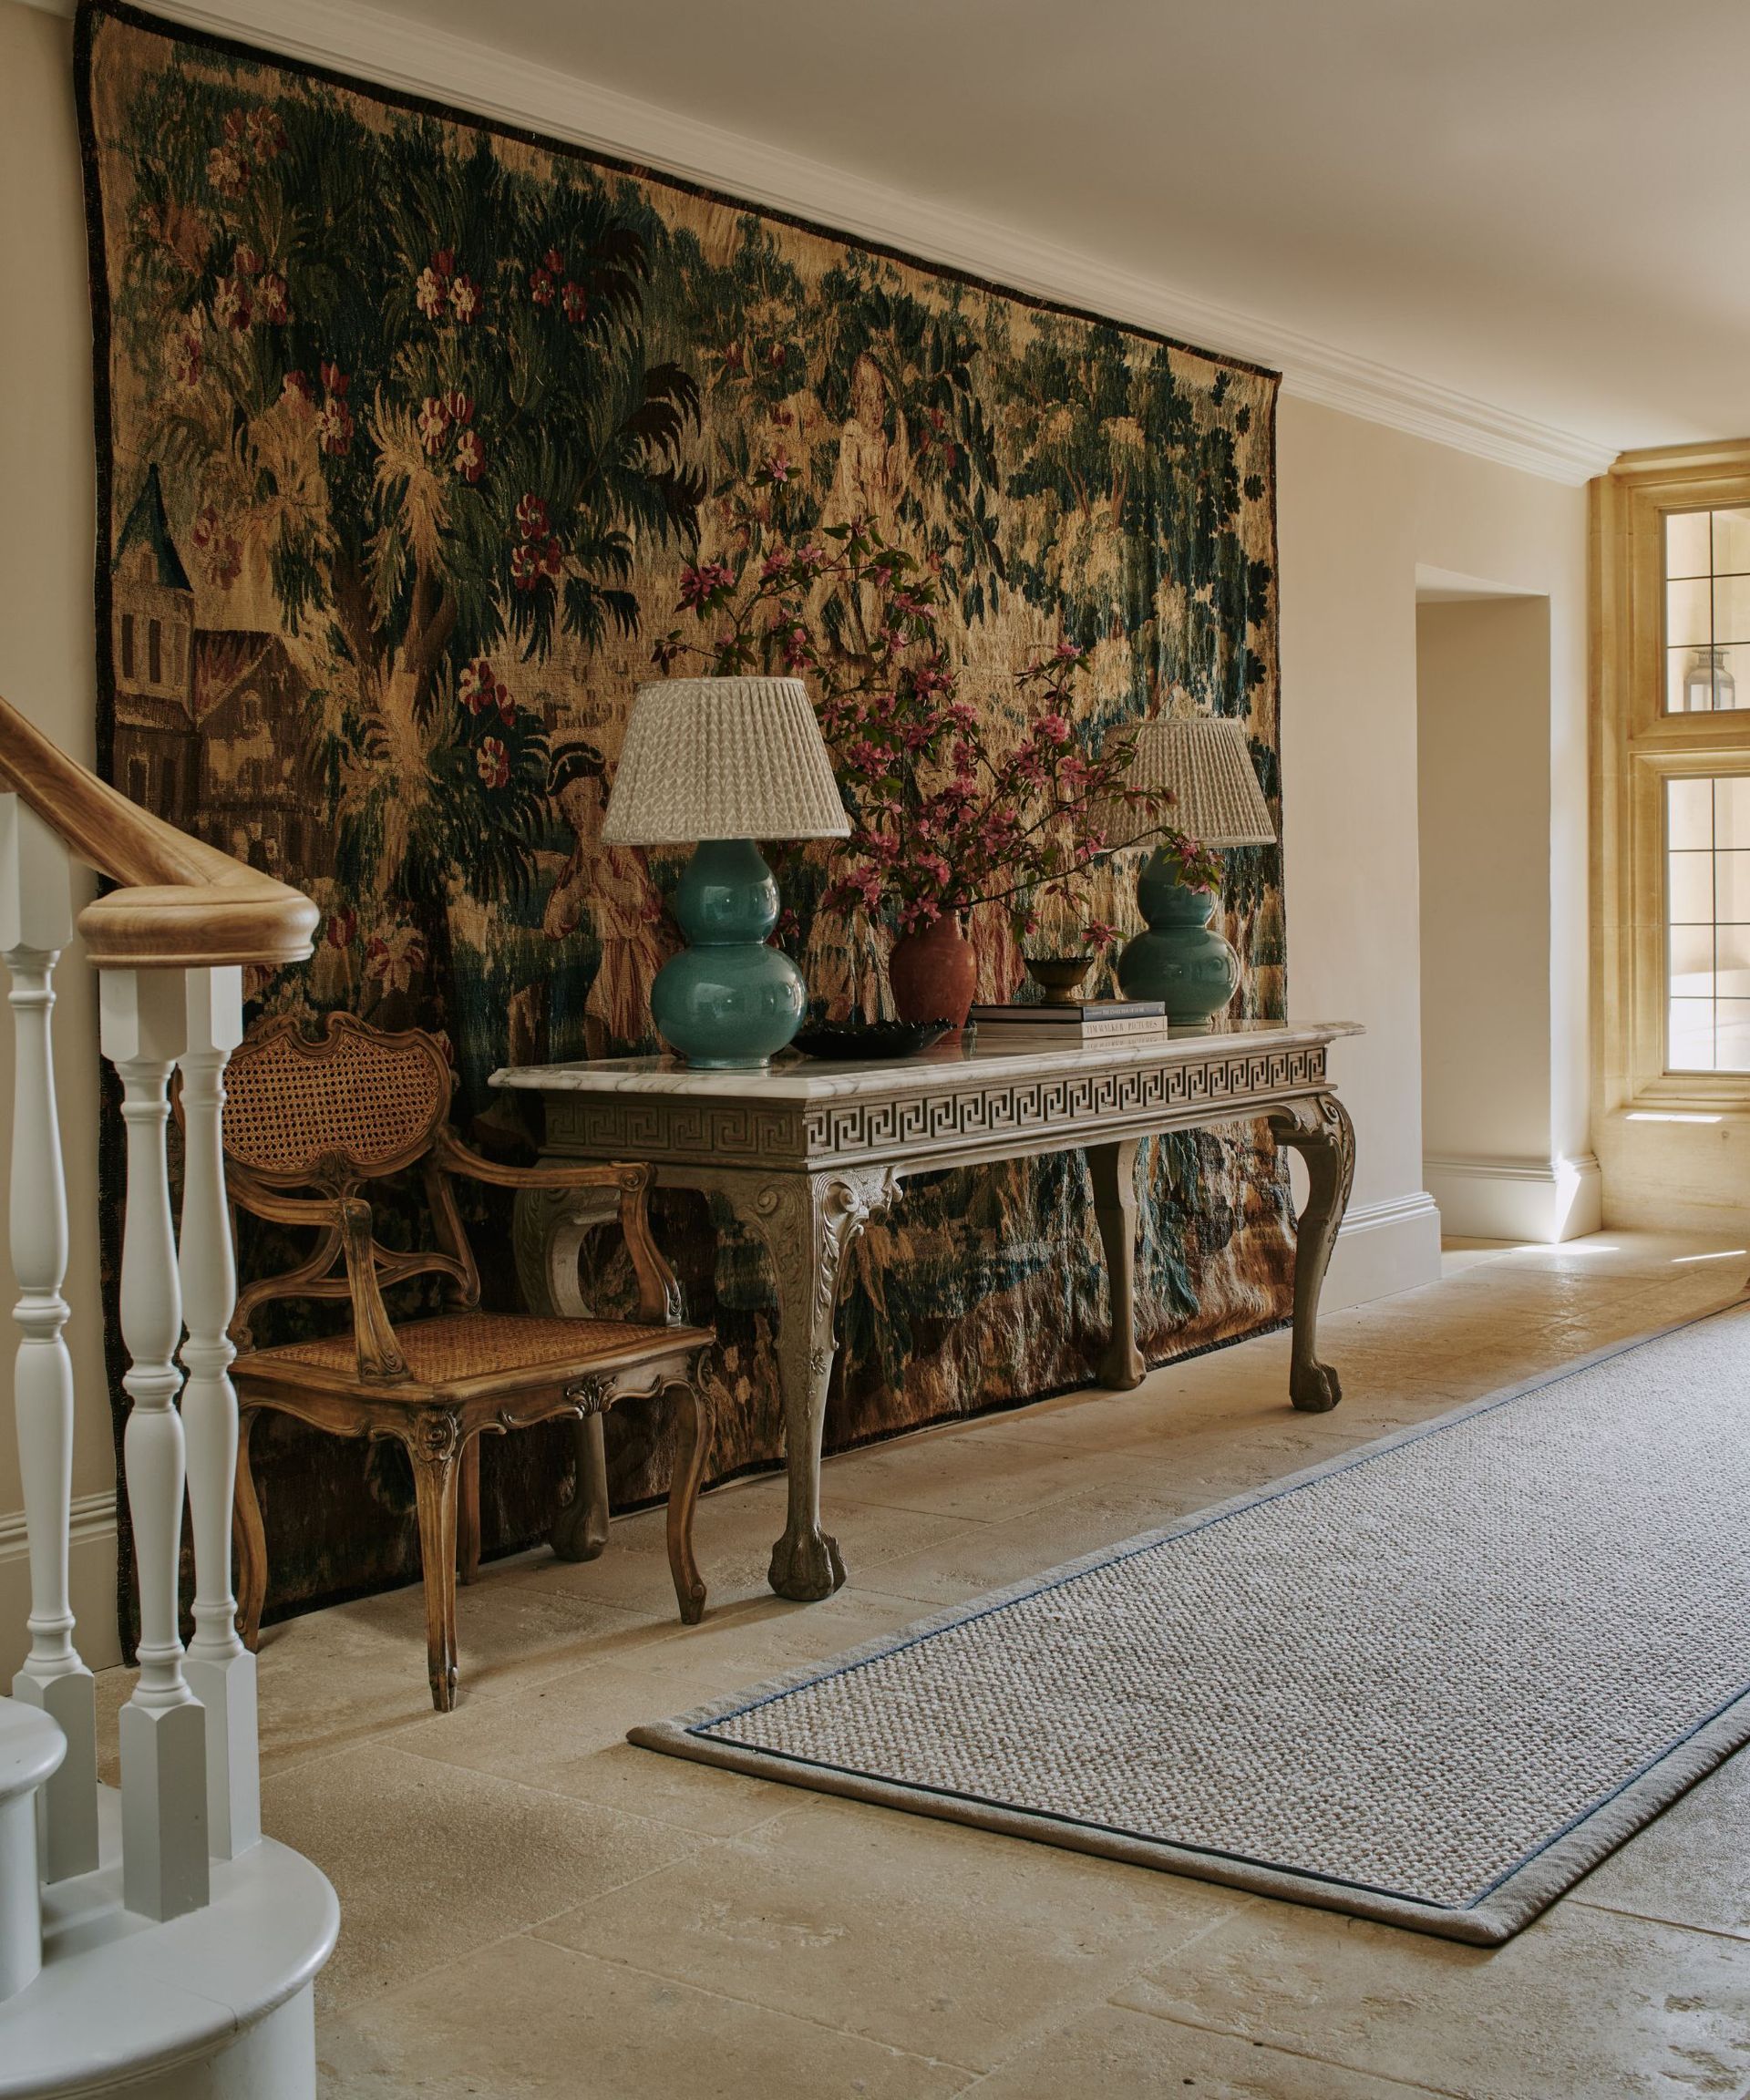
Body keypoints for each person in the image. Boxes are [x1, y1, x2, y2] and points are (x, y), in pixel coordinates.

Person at [543, 737, 674, 1056]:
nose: (574, 813)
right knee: (595, 1015)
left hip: (640, 946)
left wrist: (601, 874)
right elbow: (559, 913)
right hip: (614, 948)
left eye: (579, 799)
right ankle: (598, 1079)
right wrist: (568, 900)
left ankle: (671, 1074)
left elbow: (637, 895)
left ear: (598, 792)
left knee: (658, 1015)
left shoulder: (618, 840)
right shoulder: (585, 846)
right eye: (567, 806)